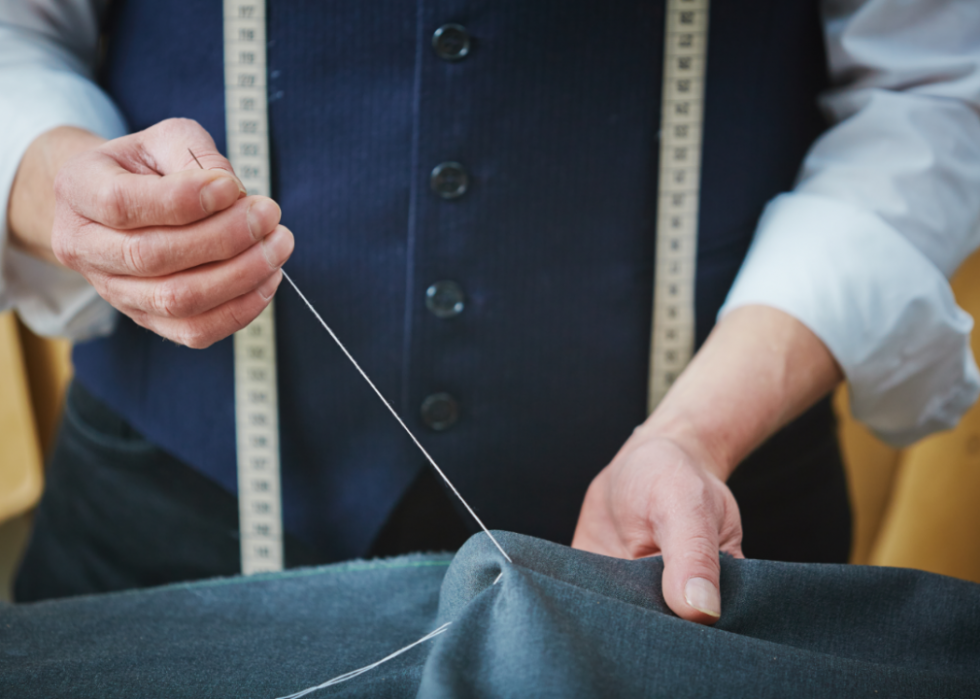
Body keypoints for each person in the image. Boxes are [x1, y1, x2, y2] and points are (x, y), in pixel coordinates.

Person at [2, 0, 979, 626]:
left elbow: (929, 88)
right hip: (167, 519)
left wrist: (698, 432)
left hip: (694, 532)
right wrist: (66, 191)